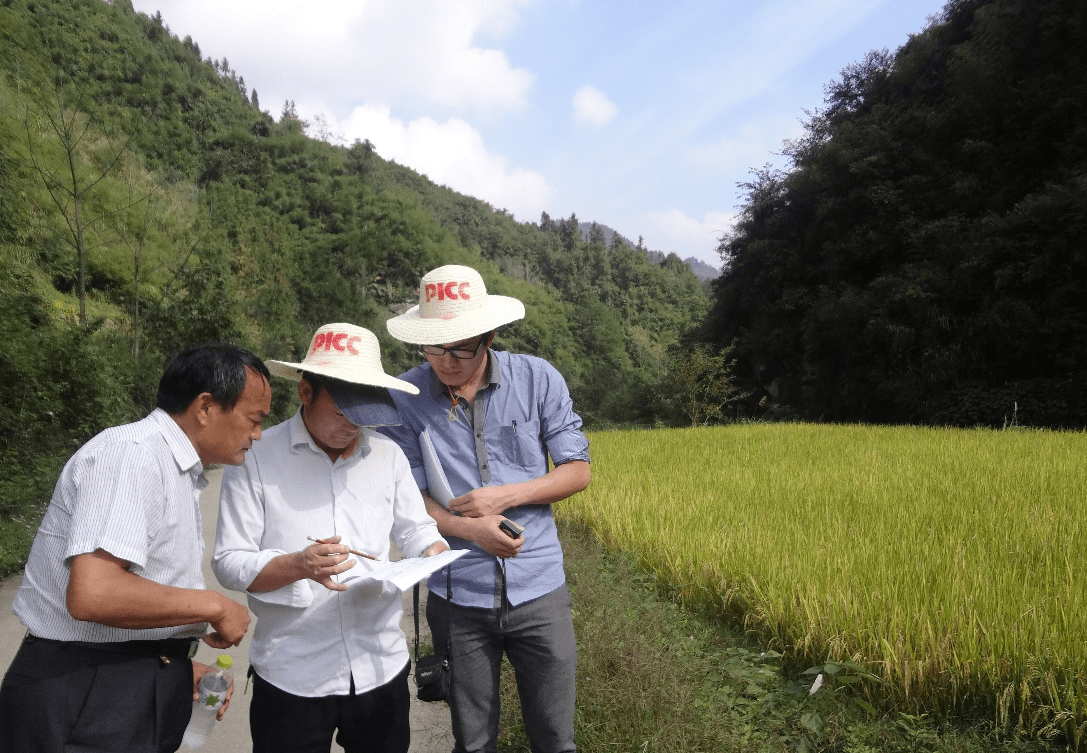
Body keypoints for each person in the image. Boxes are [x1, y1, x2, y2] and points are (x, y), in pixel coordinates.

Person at [0, 343, 269, 753]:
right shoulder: (133, 455)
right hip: (84, 688)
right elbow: (94, 594)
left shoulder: (174, 467)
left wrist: (171, 666)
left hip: (121, 676)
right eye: (253, 419)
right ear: (205, 407)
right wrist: (212, 605)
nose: (257, 434)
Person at [381, 265, 591, 753]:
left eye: (461, 348)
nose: (447, 362)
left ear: (490, 337)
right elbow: (406, 497)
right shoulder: (404, 396)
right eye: (434, 348)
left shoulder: (538, 379)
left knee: (556, 738)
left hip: (540, 589)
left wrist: (508, 495)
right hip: (459, 598)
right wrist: (467, 529)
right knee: (473, 742)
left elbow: (577, 470)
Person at [211, 323, 449, 753]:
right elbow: (229, 561)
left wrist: (430, 551)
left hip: (380, 666)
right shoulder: (256, 458)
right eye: (343, 413)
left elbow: (415, 527)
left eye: (365, 416)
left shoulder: (386, 456)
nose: (354, 427)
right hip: (292, 675)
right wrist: (297, 565)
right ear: (306, 392)